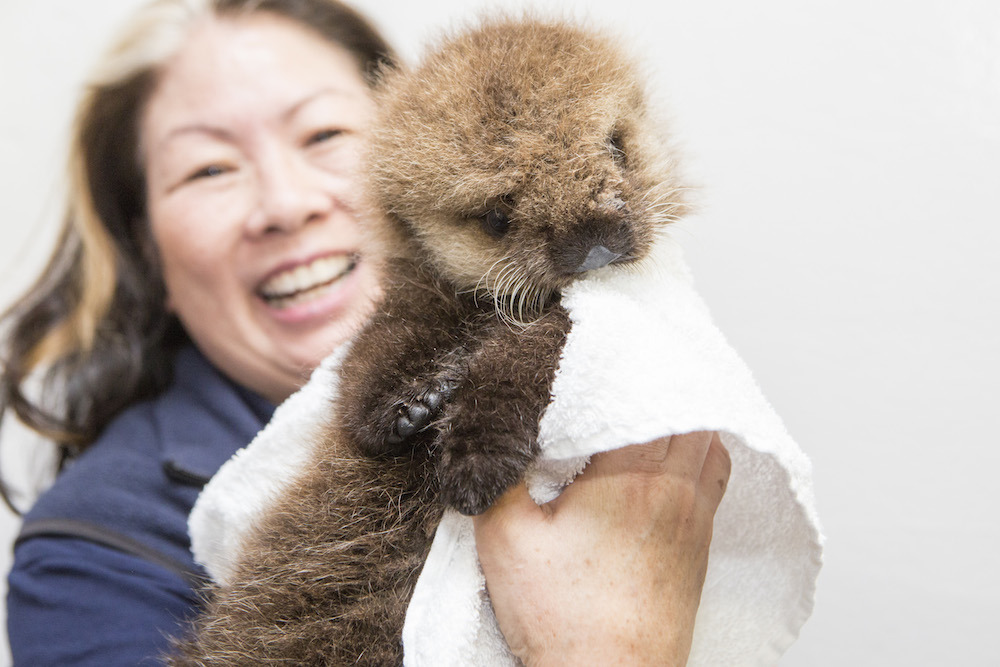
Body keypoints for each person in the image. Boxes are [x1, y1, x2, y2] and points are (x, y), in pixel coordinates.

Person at [0, 0, 732, 664]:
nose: (287, 204)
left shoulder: (615, 338)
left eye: (324, 133)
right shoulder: (92, 550)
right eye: (210, 168)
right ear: (145, 250)